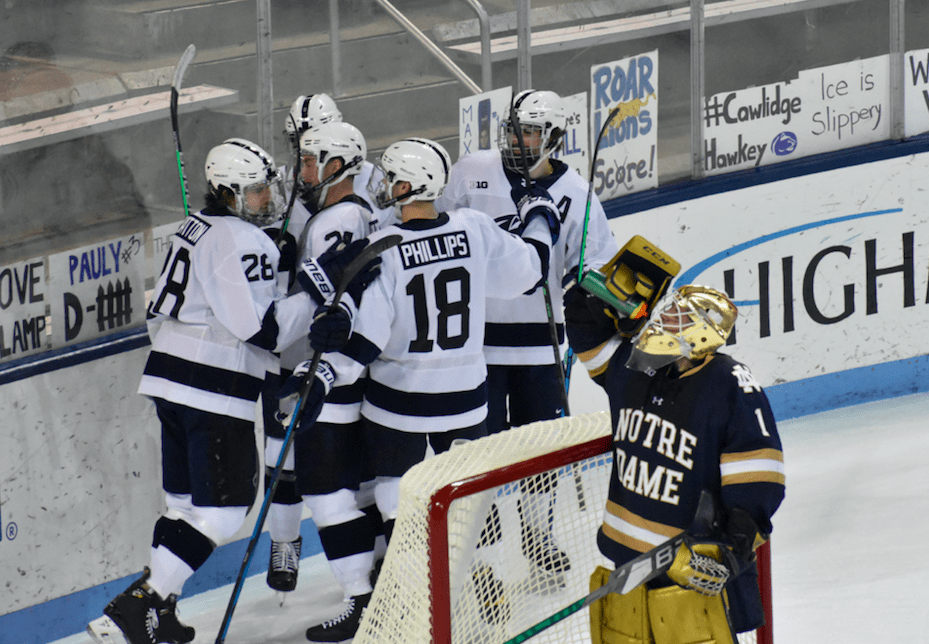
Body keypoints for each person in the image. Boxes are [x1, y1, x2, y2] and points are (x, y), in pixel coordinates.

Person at [85, 138, 374, 644]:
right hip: (213, 391)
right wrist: (315, 284)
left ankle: (162, 610)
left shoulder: (193, 228)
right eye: (256, 191)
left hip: (168, 383)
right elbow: (265, 332)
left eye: (266, 188)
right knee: (224, 510)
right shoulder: (240, 239)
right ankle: (137, 607)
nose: (267, 198)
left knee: (185, 510)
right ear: (226, 191)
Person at [282, 136, 561, 642]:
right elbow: (529, 273)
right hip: (467, 397)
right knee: (468, 498)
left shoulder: (384, 246)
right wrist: (540, 219)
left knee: (397, 497)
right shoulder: (474, 228)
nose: (385, 186)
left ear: (406, 184)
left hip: (401, 403)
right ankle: (479, 576)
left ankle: (416, 601)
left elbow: (367, 338)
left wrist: (322, 372)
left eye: (391, 178)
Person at [434, 88, 619, 580]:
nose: (519, 140)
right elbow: (441, 226)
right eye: (514, 130)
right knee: (484, 449)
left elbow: (597, 261)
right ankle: (486, 556)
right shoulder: (473, 168)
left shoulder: (577, 192)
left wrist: (581, 285)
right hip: (480, 341)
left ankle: (538, 536)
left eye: (531, 132)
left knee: (540, 446)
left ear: (553, 137)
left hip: (539, 340)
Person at [563, 277, 786, 644]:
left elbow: (759, 471)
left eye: (676, 318)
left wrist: (732, 544)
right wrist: (593, 294)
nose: (662, 321)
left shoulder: (729, 382)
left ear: (698, 335)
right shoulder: (637, 367)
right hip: (630, 564)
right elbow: (587, 334)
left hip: (691, 567)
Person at [262, 120, 388, 606]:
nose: (303, 170)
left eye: (312, 161)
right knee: (354, 485)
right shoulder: (345, 213)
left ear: (338, 165)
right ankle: (375, 574)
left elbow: (326, 299)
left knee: (321, 484)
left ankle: (363, 585)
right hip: (345, 367)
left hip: (319, 368)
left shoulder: (336, 221)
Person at [284, 93, 397, 231]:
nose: (304, 147)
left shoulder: (375, 182)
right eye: (296, 140)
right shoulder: (278, 185)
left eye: (315, 138)